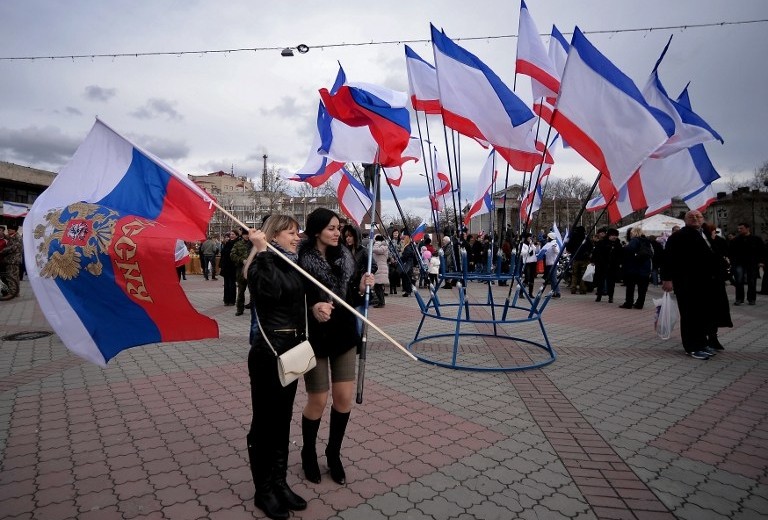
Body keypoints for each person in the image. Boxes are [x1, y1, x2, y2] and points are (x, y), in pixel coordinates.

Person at [297, 208, 374, 486]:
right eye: (331, 228)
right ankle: (308, 452)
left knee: (343, 398)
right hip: (314, 338)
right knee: (317, 400)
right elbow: (292, 300)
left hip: (343, 334)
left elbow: (350, 295)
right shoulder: (299, 261)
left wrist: (363, 288)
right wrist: (312, 307)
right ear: (317, 230)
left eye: (338, 228)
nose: (337, 233)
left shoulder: (347, 259)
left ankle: (333, 453)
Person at [245, 215, 307, 519]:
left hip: (292, 351)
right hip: (268, 354)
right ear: (274, 235)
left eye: (297, 233)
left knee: (283, 419)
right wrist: (264, 251)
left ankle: (280, 482)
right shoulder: (260, 264)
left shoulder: (292, 263)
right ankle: (264, 490)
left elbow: (295, 302)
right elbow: (268, 293)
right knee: (265, 423)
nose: (297, 237)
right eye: (291, 233)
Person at [662, 210, 732, 360]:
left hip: (706, 283)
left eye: (698, 216)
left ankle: (702, 343)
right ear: (685, 220)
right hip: (687, 283)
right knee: (690, 315)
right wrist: (667, 279)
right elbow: (668, 258)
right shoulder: (679, 236)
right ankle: (692, 347)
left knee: (703, 315)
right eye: (691, 217)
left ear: (703, 219)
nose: (695, 219)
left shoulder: (705, 234)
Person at [728, 222, 765, 306]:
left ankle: (751, 299)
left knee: (752, 281)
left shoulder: (756, 239)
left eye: (741, 228)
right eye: (738, 228)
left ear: (747, 228)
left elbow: (762, 251)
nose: (739, 230)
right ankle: (739, 299)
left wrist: (761, 261)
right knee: (739, 281)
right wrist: (732, 261)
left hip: (752, 263)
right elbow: (730, 252)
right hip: (739, 263)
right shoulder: (735, 240)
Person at [619, 227, 653, 309]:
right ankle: (640, 304)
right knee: (642, 288)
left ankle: (628, 303)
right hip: (645, 268)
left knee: (630, 287)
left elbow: (629, 250)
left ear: (633, 233)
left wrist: (624, 247)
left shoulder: (634, 240)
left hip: (634, 268)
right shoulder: (647, 241)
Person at [592, 228, 622, 303]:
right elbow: (596, 253)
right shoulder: (602, 243)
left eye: (616, 235)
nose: (614, 237)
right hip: (602, 265)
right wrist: (594, 261)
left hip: (613, 266)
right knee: (600, 281)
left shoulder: (618, 244)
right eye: (612, 235)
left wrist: (619, 263)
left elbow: (620, 255)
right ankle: (599, 296)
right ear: (609, 235)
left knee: (611, 283)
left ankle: (610, 297)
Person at [566, 226, 593, 294]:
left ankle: (573, 288)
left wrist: (573, 251)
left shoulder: (573, 238)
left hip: (575, 258)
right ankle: (582, 289)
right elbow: (590, 247)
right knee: (583, 275)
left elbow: (568, 247)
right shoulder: (586, 238)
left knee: (574, 274)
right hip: (584, 259)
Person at [231, 230, 252, 316]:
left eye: (248, 234)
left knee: (253, 292)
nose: (246, 236)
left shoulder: (254, 244)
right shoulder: (238, 244)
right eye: (245, 234)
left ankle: (254, 308)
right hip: (241, 270)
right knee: (241, 291)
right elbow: (232, 255)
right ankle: (240, 308)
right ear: (242, 235)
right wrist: (241, 260)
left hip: (252, 270)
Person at [0, 223, 22, 301]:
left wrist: (2, 251)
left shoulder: (17, 237)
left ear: (14, 230)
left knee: (12, 277)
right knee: (15, 277)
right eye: (7, 230)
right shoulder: (12, 236)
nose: (8, 231)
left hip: (13, 260)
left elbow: (13, 247)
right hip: (11, 260)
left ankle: (13, 293)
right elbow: (6, 237)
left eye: (9, 230)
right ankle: (16, 292)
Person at [220, 230, 237, 306]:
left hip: (232, 266)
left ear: (236, 235)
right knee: (226, 284)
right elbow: (223, 254)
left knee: (231, 283)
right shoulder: (227, 243)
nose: (231, 236)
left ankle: (232, 300)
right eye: (230, 234)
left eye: (233, 234)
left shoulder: (237, 243)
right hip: (226, 266)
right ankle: (226, 299)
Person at [371, 234, 389, 308]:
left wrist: (377, 242)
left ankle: (381, 302)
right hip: (381, 268)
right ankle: (381, 301)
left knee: (378, 286)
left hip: (380, 268)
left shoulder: (382, 247)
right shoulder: (384, 246)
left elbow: (375, 250)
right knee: (379, 286)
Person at [541, 232, 561, 297]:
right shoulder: (548, 244)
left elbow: (557, 252)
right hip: (548, 263)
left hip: (553, 263)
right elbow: (544, 251)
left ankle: (557, 292)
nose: (547, 238)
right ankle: (553, 292)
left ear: (550, 238)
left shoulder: (555, 244)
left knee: (554, 278)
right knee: (551, 278)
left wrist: (554, 247)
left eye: (548, 237)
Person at [399, 232, 418, 297]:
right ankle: (408, 291)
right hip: (409, 263)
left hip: (408, 264)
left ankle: (408, 291)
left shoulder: (408, 247)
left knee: (407, 278)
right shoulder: (409, 246)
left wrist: (401, 257)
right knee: (407, 277)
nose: (402, 241)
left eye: (403, 239)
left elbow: (408, 254)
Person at [387, 229, 401, 294]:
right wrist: (390, 258)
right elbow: (388, 250)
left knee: (396, 275)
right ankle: (391, 289)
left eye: (397, 233)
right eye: (394, 233)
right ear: (392, 234)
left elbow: (401, 250)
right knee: (391, 275)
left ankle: (395, 289)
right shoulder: (390, 241)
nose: (395, 234)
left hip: (397, 260)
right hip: (391, 260)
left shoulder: (400, 241)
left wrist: (398, 258)